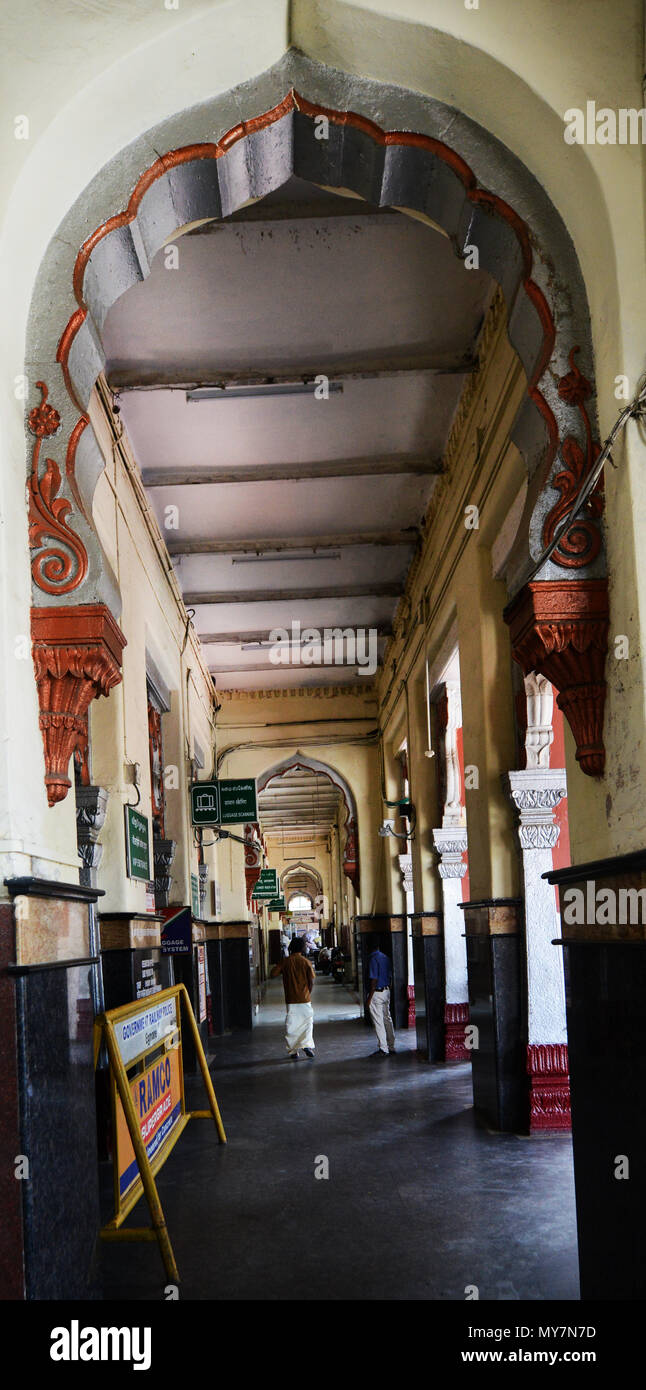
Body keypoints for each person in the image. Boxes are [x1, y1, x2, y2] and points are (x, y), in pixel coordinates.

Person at [270, 936, 316, 1059]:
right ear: (302, 947)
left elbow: (273, 973)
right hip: (305, 998)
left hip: (290, 999)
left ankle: (293, 1051)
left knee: (292, 1025)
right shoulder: (306, 962)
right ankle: (306, 1045)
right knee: (307, 1022)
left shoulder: (286, 961)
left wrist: (281, 965)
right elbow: (311, 981)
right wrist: (307, 993)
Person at [366, 947, 395, 1057]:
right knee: (387, 1018)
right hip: (387, 991)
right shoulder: (385, 957)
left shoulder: (373, 959)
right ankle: (391, 1046)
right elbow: (390, 975)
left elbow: (374, 979)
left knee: (378, 1021)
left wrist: (369, 998)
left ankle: (383, 1048)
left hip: (377, 993)